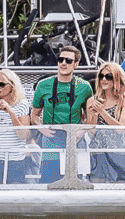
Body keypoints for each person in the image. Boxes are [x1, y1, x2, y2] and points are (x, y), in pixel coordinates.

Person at [31, 45, 93, 183]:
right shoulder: (43, 85)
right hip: (51, 137)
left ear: (76, 64)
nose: (63, 63)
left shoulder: (85, 87)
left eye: (68, 60)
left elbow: (90, 117)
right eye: (61, 59)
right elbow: (34, 114)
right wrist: (41, 128)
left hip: (75, 138)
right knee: (50, 181)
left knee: (77, 182)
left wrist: (82, 130)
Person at [85, 62, 125, 182]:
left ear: (117, 79)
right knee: (96, 190)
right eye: (101, 76)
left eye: (109, 76)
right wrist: (93, 115)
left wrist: (101, 111)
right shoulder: (92, 100)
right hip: (98, 152)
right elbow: (91, 132)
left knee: (120, 191)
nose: (104, 79)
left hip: (118, 151)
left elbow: (120, 129)